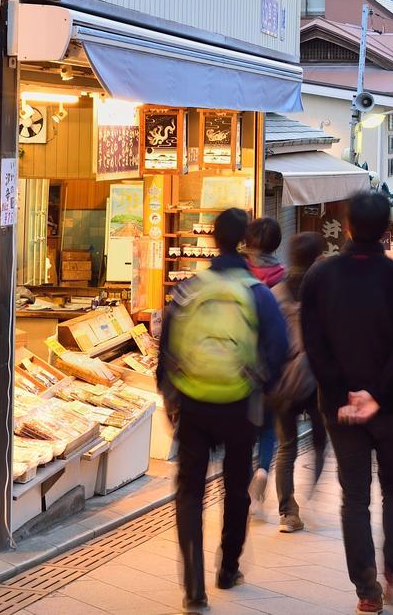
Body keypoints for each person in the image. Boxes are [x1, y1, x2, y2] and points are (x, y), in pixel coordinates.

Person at [301, 192, 393, 613]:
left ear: (349, 227)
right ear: (387, 230)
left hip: (341, 410)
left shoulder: (320, 276)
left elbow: (315, 345)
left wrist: (342, 394)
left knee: (354, 497)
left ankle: (366, 590)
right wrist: (379, 394)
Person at [157, 208, 288, 610]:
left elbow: (165, 349)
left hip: (194, 403)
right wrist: (262, 389)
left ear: (213, 240)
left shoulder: (189, 289)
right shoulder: (257, 293)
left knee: (190, 492)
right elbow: (279, 349)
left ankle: (193, 585)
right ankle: (228, 567)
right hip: (239, 404)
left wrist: (170, 397)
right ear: (247, 241)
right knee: (235, 488)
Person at [269, 231, 327, 533]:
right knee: (320, 440)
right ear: (317, 257)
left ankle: (288, 511)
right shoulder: (324, 292)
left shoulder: (276, 293)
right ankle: (312, 493)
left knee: (287, 445)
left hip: (282, 382)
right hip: (317, 379)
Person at [244, 216, 285, 517]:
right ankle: (262, 471)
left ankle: (247, 486)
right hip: (270, 365)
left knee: (243, 430)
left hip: (239, 364)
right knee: (269, 429)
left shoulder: (239, 273)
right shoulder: (283, 276)